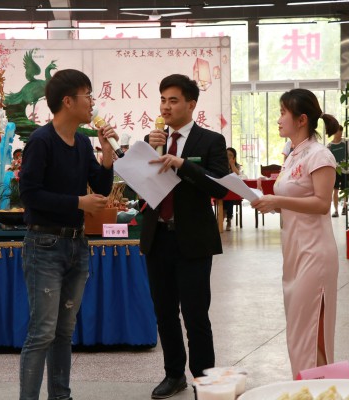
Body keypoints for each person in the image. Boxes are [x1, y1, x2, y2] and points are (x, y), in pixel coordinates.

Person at [18, 69, 118, 400]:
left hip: (76, 243)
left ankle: (61, 396)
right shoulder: (41, 141)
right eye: (88, 95)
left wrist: (106, 155)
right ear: (67, 101)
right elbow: (29, 194)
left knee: (64, 331)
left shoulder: (82, 143)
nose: (92, 102)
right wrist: (78, 202)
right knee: (42, 332)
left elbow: (100, 187)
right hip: (44, 244)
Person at [142, 74, 228, 399]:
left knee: (195, 316)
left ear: (191, 104)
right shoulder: (152, 139)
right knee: (164, 313)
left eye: (173, 100)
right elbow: (141, 186)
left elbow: (220, 185)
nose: (165, 106)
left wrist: (183, 165)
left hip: (192, 240)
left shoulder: (211, 141)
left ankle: (204, 381)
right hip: (158, 237)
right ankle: (174, 374)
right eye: (163, 100)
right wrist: (144, 154)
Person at [251, 88, 339, 378]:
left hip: (315, 253)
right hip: (294, 252)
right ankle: (310, 388)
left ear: (301, 119)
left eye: (283, 113)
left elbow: (322, 204)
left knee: (309, 332)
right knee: (300, 331)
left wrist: (278, 200)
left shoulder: (320, 155)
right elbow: (294, 201)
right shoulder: (292, 154)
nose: (278, 120)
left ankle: (313, 389)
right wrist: (271, 204)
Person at [326, 125, 349, 217]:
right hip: (335, 171)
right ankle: (336, 210)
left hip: (345, 170)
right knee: (335, 190)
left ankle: (345, 207)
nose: (340, 133)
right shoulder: (329, 146)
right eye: (338, 131)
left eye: (341, 131)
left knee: (346, 190)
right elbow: (328, 160)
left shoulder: (346, 142)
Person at [224, 146, 243, 231]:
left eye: (230, 155)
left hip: (233, 190)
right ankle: (224, 215)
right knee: (225, 196)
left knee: (230, 198)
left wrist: (232, 164)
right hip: (223, 187)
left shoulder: (236, 166)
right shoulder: (220, 164)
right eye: (227, 154)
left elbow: (238, 175)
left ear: (234, 157)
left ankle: (228, 219)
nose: (228, 156)